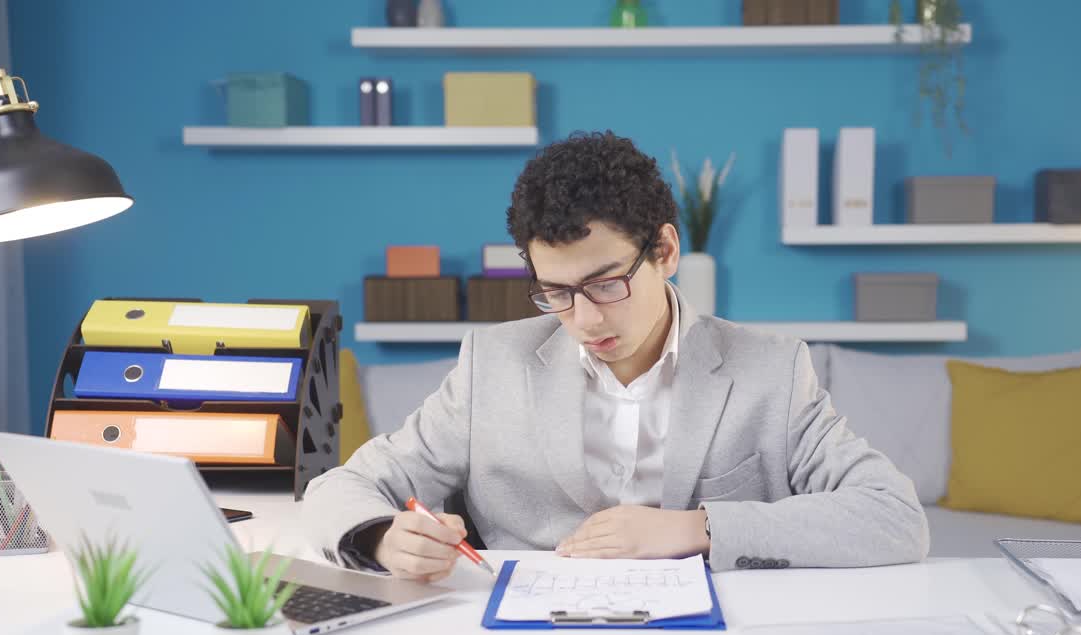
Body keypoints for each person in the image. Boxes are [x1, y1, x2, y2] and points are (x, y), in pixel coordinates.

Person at [304, 131, 928, 582]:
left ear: (664, 250)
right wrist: (381, 537)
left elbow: (896, 516)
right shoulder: (490, 364)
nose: (585, 318)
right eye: (556, 292)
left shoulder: (771, 368)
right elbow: (345, 486)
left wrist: (698, 529)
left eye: (606, 284)